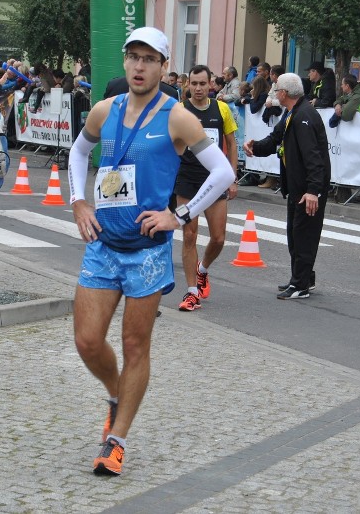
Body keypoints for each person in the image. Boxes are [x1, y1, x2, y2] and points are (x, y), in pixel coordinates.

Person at [67, 27, 233, 475]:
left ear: (163, 66)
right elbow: (78, 152)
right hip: (103, 244)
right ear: (125, 62)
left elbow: (221, 172)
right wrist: (78, 200)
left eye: (149, 59)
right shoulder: (106, 109)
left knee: (135, 344)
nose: (139, 66)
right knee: (86, 340)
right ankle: (117, 392)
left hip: (147, 251)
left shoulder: (178, 117)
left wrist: (179, 217)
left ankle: (116, 441)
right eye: (133, 58)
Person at [243, 73, 331, 299]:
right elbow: (275, 138)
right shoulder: (293, 112)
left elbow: (314, 158)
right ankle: (302, 278)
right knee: (295, 234)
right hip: (296, 187)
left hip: (306, 190)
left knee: (303, 237)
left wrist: (313, 191)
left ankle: (300, 285)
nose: (274, 93)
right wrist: (256, 147)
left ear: (284, 93)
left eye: (276, 89)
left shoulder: (305, 116)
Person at [175, 64, 239, 312]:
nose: (198, 88)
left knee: (219, 238)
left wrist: (232, 177)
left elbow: (232, 144)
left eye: (203, 83)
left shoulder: (221, 109)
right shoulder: (180, 111)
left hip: (215, 179)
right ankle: (192, 293)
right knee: (189, 236)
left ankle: (202, 270)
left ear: (211, 84)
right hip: (187, 179)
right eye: (194, 83)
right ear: (188, 84)